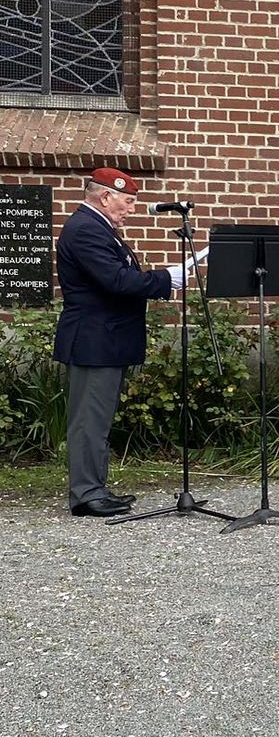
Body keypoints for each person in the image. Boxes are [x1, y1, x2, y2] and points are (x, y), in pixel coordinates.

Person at [54, 168, 187, 517]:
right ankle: (86, 494)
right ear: (106, 196)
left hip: (104, 340)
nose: (131, 209)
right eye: (127, 201)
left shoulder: (97, 228)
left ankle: (94, 489)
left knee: (97, 421)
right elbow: (117, 281)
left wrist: (162, 279)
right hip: (94, 341)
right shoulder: (86, 229)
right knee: (88, 422)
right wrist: (167, 279)